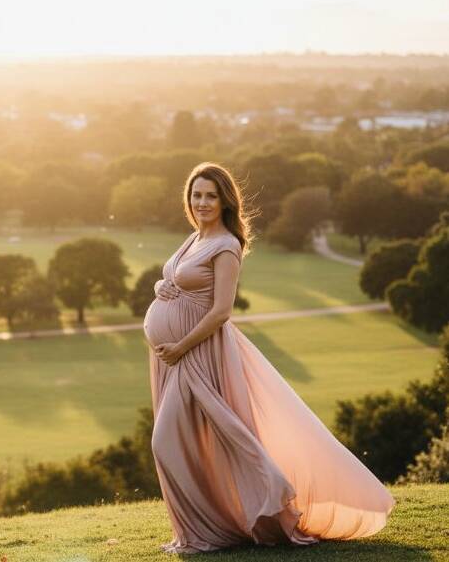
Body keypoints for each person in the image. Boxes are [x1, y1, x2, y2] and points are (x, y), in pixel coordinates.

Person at [143, 162, 394, 554]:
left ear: (225, 201)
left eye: (211, 195)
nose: (202, 202)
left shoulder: (225, 245)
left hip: (198, 355)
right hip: (173, 357)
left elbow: (221, 311)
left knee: (167, 442)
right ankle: (199, 531)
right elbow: (182, 286)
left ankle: (209, 531)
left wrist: (180, 345)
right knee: (188, 441)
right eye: (196, 194)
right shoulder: (194, 238)